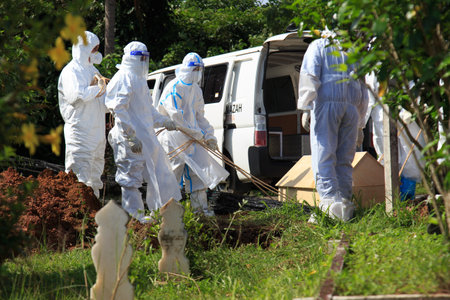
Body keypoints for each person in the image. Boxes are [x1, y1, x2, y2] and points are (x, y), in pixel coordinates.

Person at [105, 41, 181, 223]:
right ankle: (134, 217)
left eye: (145, 58)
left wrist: (163, 120)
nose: (144, 62)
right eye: (141, 58)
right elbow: (119, 110)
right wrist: (130, 137)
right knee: (130, 178)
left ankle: (161, 212)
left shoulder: (138, 79)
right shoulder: (123, 77)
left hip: (145, 137)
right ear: (132, 59)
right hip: (128, 139)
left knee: (159, 173)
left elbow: (147, 110)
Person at [298, 32, 368, 221]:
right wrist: (361, 122)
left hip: (326, 105)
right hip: (352, 109)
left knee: (324, 154)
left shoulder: (319, 45)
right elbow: (363, 88)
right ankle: (345, 204)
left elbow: (309, 76)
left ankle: (330, 205)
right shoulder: (354, 51)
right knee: (344, 158)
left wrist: (305, 106)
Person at [157, 52, 229, 217]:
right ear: (185, 69)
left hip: (192, 138)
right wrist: (198, 134)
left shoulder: (196, 89)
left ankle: (199, 210)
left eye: (199, 69)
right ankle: (167, 212)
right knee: (172, 175)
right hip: (173, 138)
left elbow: (199, 116)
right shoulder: (174, 88)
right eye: (194, 69)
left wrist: (209, 135)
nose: (197, 72)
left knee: (198, 173)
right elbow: (177, 118)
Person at [58, 31, 107, 198]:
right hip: (80, 135)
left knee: (94, 180)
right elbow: (76, 96)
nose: (96, 53)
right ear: (83, 49)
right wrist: (98, 88)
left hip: (97, 135)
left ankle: (93, 217)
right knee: (79, 180)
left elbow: (103, 101)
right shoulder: (71, 71)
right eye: (94, 49)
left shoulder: (93, 70)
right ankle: (78, 218)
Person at [364, 73, 425, 200]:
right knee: (387, 156)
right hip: (383, 116)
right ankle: (391, 196)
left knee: (411, 154)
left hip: (406, 114)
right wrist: (360, 123)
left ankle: (406, 194)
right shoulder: (375, 66)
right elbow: (369, 95)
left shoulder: (403, 60)